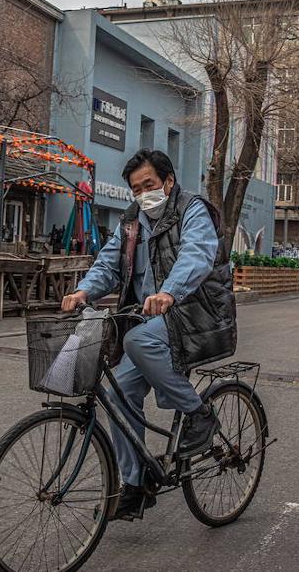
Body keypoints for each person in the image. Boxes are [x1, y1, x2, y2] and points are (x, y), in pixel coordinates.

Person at [61, 149, 237, 521]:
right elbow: (108, 263)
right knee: (118, 392)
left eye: (149, 185)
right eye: (136, 189)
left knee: (136, 341)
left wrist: (170, 292)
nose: (143, 194)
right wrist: (83, 291)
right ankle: (135, 484)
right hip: (152, 319)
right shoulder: (131, 221)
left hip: (194, 312)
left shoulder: (192, 210)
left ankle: (199, 414)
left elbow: (197, 254)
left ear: (168, 182)